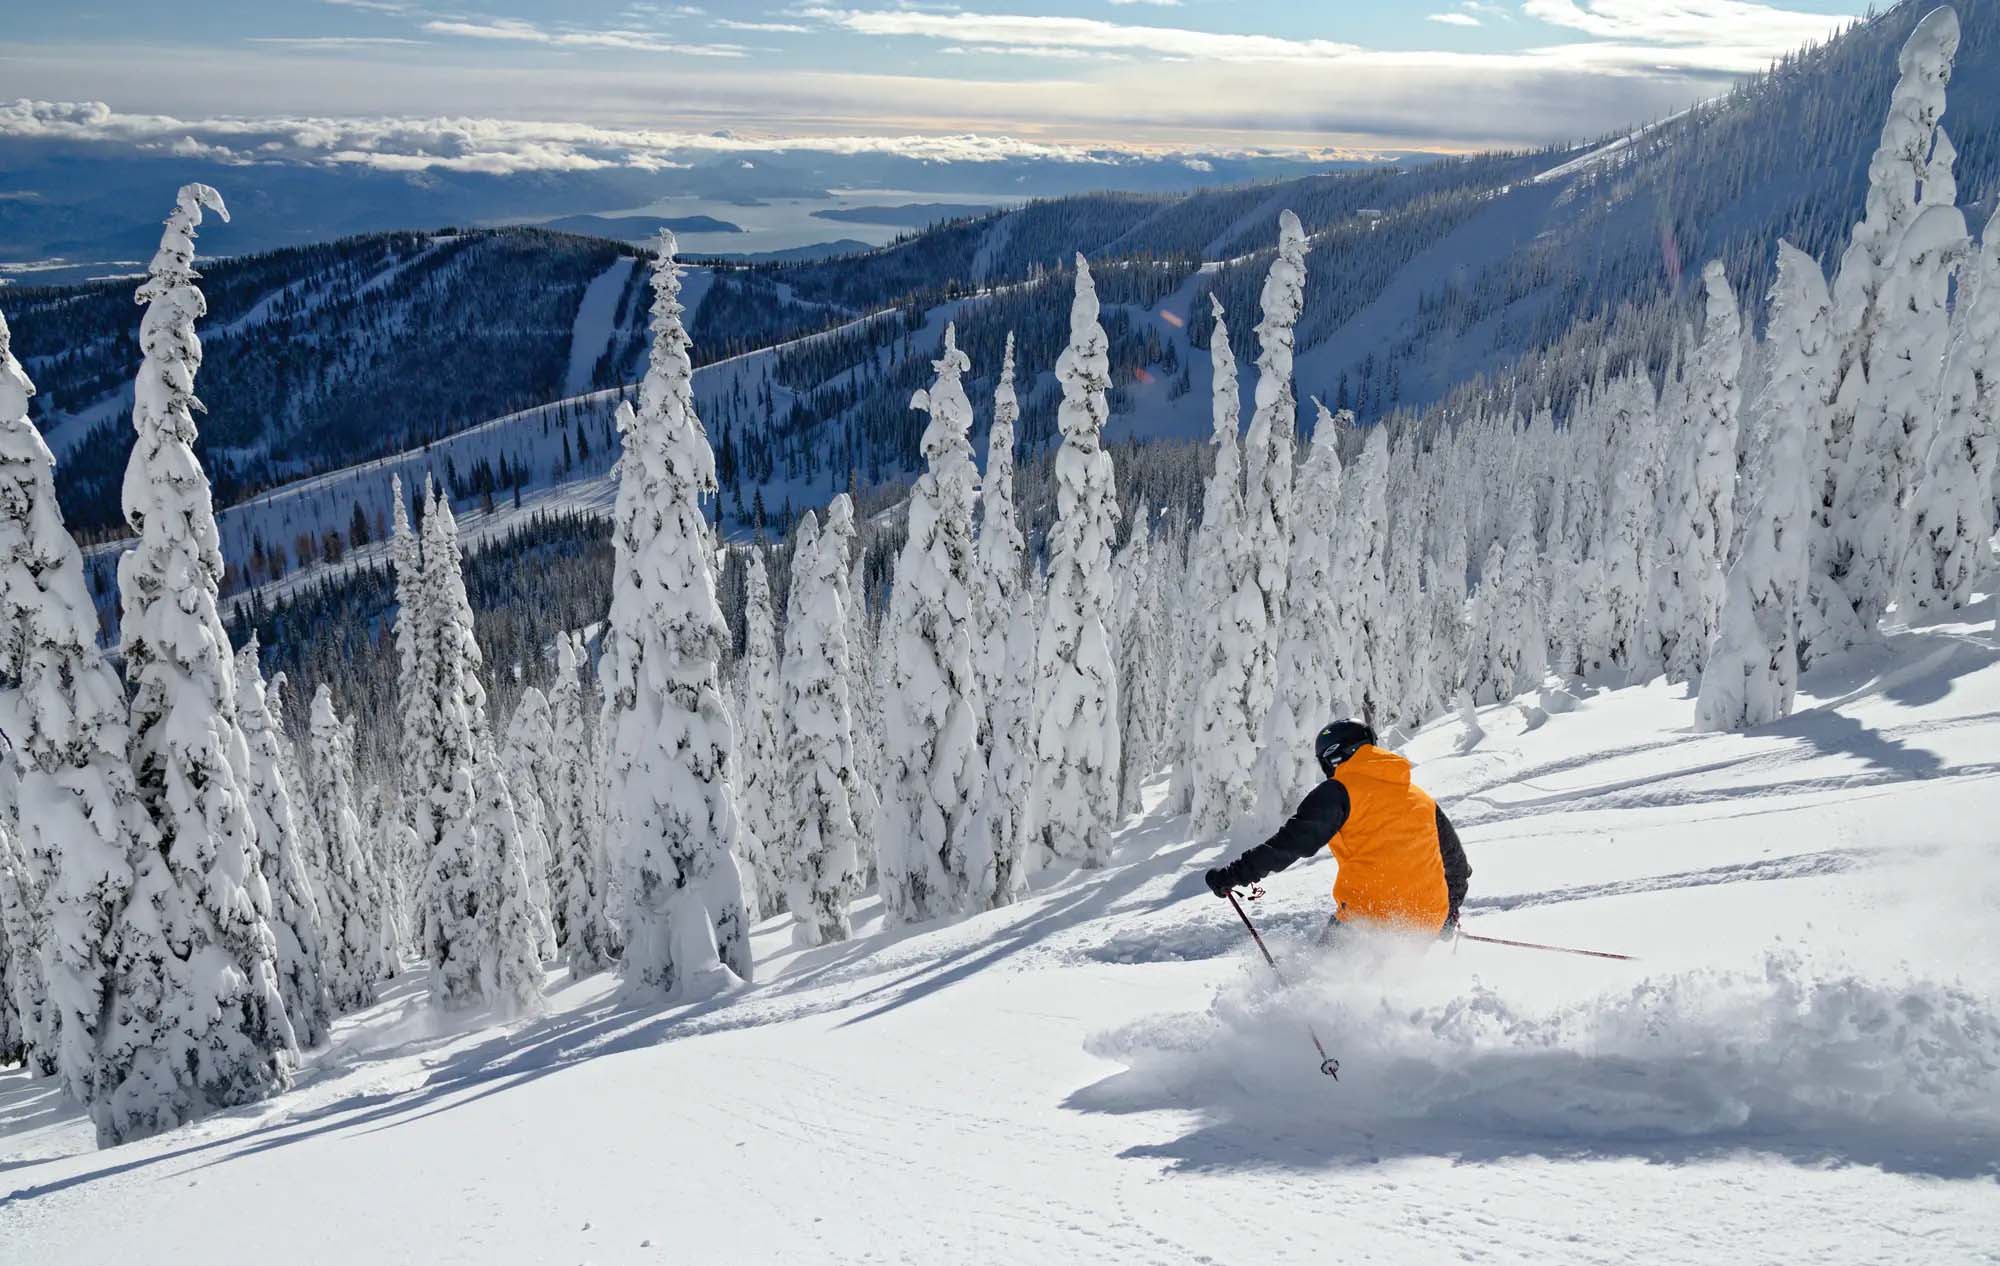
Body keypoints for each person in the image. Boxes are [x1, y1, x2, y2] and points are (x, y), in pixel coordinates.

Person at [1204, 720, 1470, 938]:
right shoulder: (1419, 797)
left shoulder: (1339, 791)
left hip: (1368, 923)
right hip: (1426, 922)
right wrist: (1448, 914)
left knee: (1319, 987)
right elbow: (1457, 865)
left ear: (1333, 757)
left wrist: (1233, 874)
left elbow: (1290, 844)